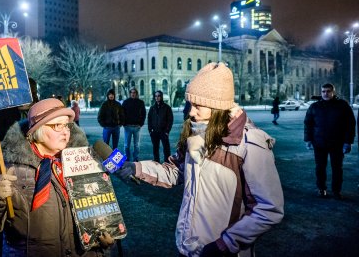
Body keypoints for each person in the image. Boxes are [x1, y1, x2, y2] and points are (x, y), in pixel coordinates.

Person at [117, 62, 284, 256]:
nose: (191, 112)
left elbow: (268, 208)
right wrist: (137, 168)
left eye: (198, 106)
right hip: (188, 248)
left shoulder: (250, 144)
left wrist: (225, 244)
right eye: (190, 104)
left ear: (218, 107)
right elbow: (174, 171)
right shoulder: (195, 134)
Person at [0, 98, 114, 256]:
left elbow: (98, 212)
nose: (66, 132)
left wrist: (103, 241)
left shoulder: (82, 161)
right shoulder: (7, 169)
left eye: (67, 125)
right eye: (58, 125)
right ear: (37, 131)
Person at [304, 83, 356, 199]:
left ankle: (336, 191)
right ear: (321, 92)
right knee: (320, 167)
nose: (325, 93)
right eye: (323, 91)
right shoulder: (315, 107)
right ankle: (322, 189)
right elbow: (308, 123)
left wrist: (348, 142)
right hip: (319, 143)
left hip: (337, 143)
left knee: (337, 168)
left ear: (333, 92)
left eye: (328, 91)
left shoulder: (342, 106)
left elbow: (350, 124)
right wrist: (308, 140)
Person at [147, 90, 173, 162]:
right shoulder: (152, 108)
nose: (157, 97)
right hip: (154, 132)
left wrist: (167, 131)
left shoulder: (167, 108)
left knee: (166, 149)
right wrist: (150, 130)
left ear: (161, 97)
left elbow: (170, 120)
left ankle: (167, 163)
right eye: (156, 96)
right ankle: (156, 163)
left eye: (158, 96)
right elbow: (149, 119)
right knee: (155, 149)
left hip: (163, 131)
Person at [121, 87, 146, 161]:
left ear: (136, 93)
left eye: (134, 92)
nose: (133, 94)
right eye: (131, 92)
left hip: (137, 127)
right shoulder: (126, 102)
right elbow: (122, 113)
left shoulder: (140, 102)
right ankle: (127, 158)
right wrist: (124, 123)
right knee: (126, 145)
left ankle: (135, 158)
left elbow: (143, 114)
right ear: (130, 94)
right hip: (127, 126)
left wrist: (141, 123)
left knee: (137, 145)